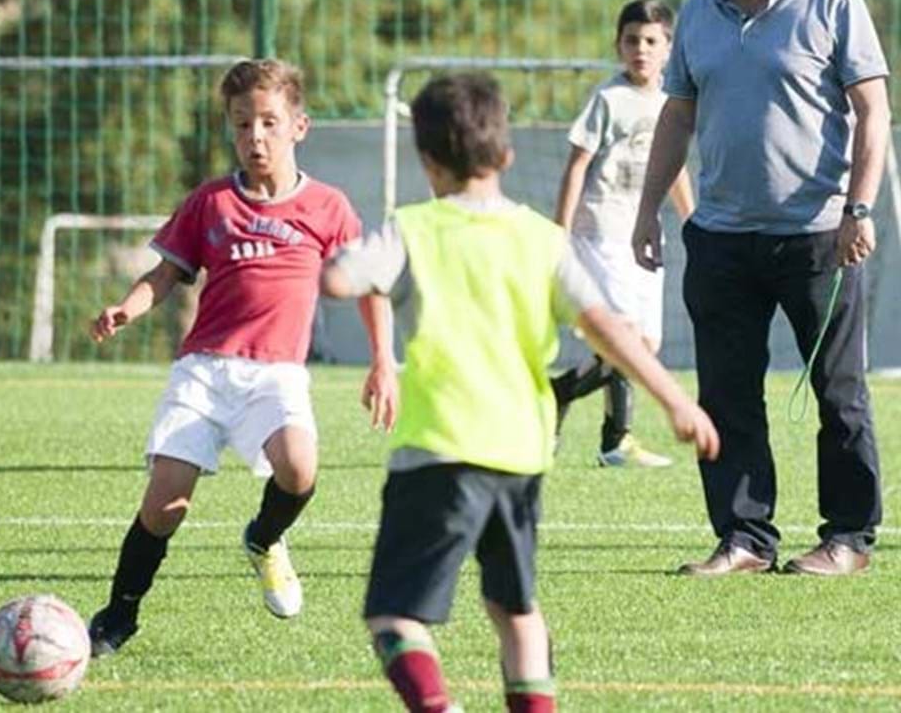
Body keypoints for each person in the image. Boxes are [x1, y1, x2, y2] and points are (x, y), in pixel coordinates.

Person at [322, 73, 719, 713]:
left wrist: (344, 261)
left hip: (439, 450)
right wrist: (677, 400)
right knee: (517, 611)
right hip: (520, 452)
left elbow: (342, 280)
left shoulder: (415, 228)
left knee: (394, 616)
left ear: (427, 162)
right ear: (505, 156)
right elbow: (608, 330)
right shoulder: (541, 239)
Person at [632, 0, 891, 577]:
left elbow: (873, 112)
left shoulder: (833, 2)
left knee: (839, 395)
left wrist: (857, 207)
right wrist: (648, 209)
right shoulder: (697, 13)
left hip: (817, 235)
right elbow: (677, 116)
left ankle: (848, 538)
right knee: (725, 394)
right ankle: (744, 538)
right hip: (719, 237)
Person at [86, 58, 392, 656]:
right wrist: (128, 307)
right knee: (166, 501)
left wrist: (383, 360)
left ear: (299, 126)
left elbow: (369, 284)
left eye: (269, 123)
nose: (255, 136)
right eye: (242, 124)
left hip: (276, 372)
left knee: (299, 470)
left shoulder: (328, 206)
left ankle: (264, 538)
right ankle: (120, 613)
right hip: (204, 368)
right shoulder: (211, 202)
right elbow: (168, 272)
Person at [551, 0, 695, 468]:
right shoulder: (607, 99)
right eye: (632, 40)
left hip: (645, 235)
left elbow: (671, 165)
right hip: (601, 231)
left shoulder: (672, 100)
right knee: (626, 338)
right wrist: (560, 231)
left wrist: (690, 218)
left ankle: (565, 396)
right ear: (618, 45)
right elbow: (577, 166)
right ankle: (613, 437)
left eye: (651, 41)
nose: (641, 49)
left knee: (645, 344)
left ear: (669, 48)